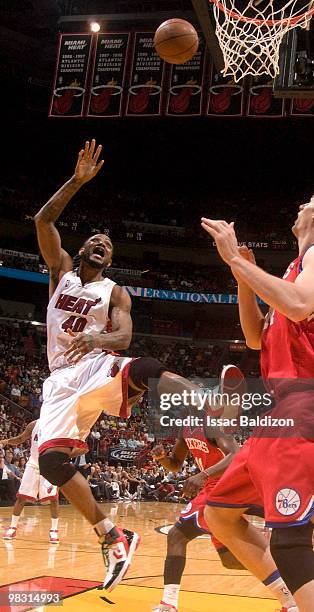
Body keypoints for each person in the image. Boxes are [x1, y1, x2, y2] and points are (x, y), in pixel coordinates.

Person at [33, 139, 235, 592]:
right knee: (50, 464)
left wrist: (96, 337)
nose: (101, 244)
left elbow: (123, 338)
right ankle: (115, 536)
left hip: (94, 363)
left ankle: (206, 405)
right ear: (82, 249)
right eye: (95, 240)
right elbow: (43, 220)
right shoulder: (59, 271)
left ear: (111, 259)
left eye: (108, 244)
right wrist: (77, 181)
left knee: (145, 367)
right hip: (59, 382)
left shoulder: (115, 292)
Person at [201, 181, 314, 612]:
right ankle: (289, 600)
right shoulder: (293, 268)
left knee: (290, 543)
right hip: (282, 413)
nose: (300, 206)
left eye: (307, 202)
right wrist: (242, 277)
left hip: (312, 405)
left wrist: (234, 256)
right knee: (218, 514)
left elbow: (298, 305)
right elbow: (254, 338)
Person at [152, 421, 297, 612]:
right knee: (231, 560)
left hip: (225, 485)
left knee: (177, 534)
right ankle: (291, 598)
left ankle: (168, 604)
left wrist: (203, 475)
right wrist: (162, 458)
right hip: (215, 487)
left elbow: (236, 454)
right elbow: (176, 464)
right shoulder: (185, 429)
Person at [1, 421, 60, 543]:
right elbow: (21, 438)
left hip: (50, 466)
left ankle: (54, 530)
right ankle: (12, 527)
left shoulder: (58, 423)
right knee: (21, 497)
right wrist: (6, 441)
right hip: (33, 465)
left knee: (53, 499)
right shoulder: (34, 424)